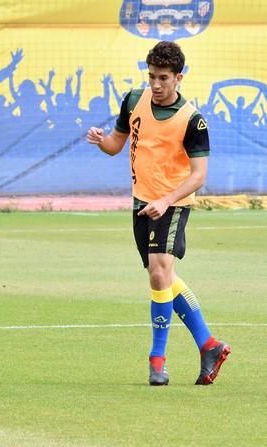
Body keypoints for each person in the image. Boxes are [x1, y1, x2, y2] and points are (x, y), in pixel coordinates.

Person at [86, 41, 230, 386]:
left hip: (173, 203)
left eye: (163, 78)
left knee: (157, 273)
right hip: (141, 201)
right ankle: (209, 345)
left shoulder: (192, 121)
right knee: (163, 278)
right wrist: (100, 139)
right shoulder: (134, 101)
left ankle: (157, 359)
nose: (155, 84)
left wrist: (167, 200)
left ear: (178, 77)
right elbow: (116, 145)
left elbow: (198, 175)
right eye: (151, 76)